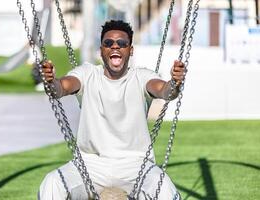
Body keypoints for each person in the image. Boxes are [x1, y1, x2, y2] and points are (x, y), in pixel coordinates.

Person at [39, 20, 185, 200]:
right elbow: (61, 88)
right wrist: (51, 81)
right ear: (101, 50)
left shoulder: (142, 76)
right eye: (108, 43)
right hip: (90, 164)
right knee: (52, 183)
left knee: (165, 190)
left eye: (122, 43)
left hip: (136, 165)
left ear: (130, 50)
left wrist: (175, 82)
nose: (115, 46)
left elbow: (165, 90)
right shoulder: (87, 74)